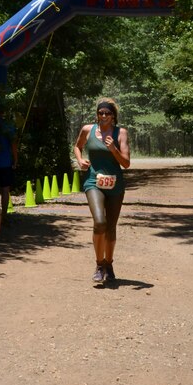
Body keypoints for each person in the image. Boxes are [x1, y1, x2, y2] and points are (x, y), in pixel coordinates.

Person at [73, 98, 130, 284]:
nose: (103, 116)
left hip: (115, 184)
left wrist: (113, 149)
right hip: (93, 182)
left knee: (111, 227)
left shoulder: (120, 133)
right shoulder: (87, 130)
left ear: (113, 116)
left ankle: (109, 264)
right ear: (97, 115)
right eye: (100, 113)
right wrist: (80, 160)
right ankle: (99, 264)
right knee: (99, 222)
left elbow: (126, 164)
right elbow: (77, 146)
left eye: (107, 113)